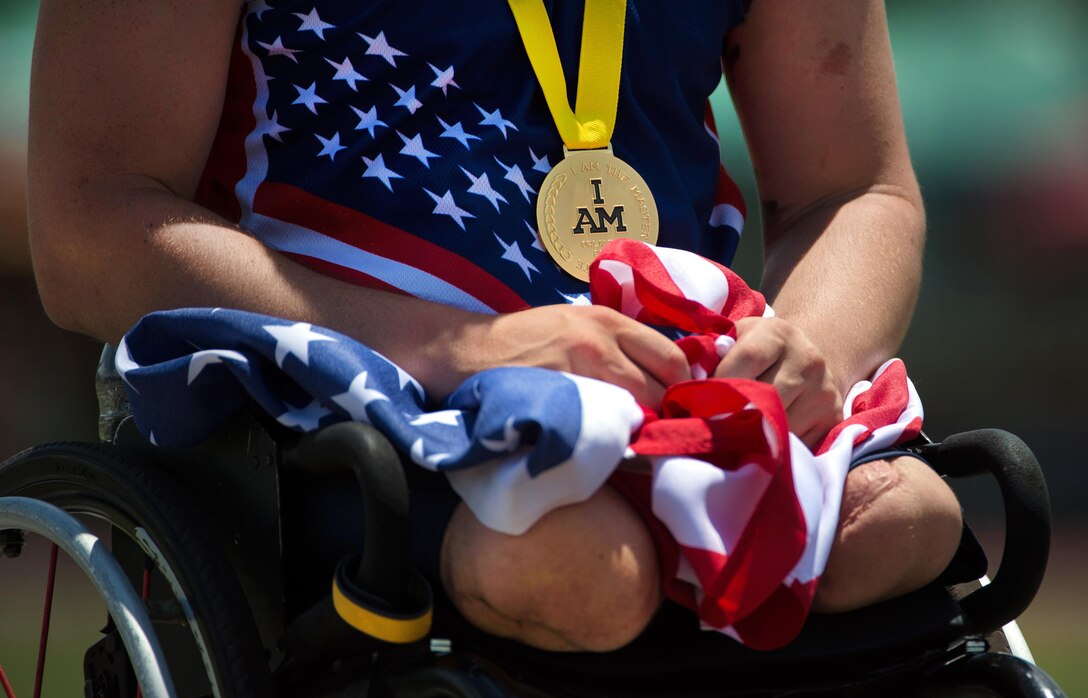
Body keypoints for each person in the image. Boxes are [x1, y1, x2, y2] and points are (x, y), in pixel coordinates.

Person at [27, 0, 964, 653]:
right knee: (575, 563)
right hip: (352, 395)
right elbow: (88, 227)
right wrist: (458, 347)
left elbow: (857, 187)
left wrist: (809, 348)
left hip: (673, 378)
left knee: (903, 523)